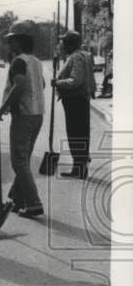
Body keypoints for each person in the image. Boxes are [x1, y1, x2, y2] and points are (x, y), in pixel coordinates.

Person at [0, 21, 46, 217]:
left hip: (24, 116)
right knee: (23, 159)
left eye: (12, 41)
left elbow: (19, 86)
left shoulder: (19, 61)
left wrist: (3, 108)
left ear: (20, 41)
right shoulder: (36, 61)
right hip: (37, 114)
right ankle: (17, 197)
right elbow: (40, 84)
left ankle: (33, 203)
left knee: (18, 161)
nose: (10, 45)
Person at [52, 31, 96, 179]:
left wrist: (57, 82)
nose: (62, 45)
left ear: (70, 44)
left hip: (75, 100)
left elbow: (75, 80)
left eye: (64, 43)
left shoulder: (76, 57)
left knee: (75, 133)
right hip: (81, 99)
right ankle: (81, 165)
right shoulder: (85, 55)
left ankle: (79, 168)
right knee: (82, 133)